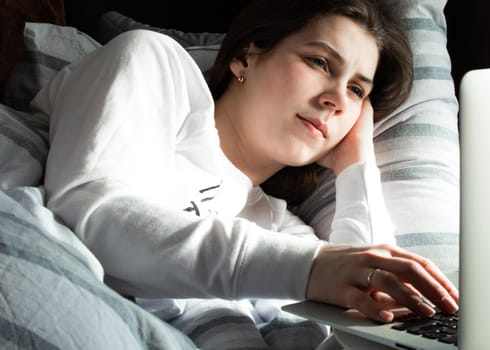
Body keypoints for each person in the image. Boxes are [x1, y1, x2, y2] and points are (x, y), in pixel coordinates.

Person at [32, 0, 459, 347]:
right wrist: (311, 269)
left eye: (356, 90)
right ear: (246, 55)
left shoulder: (283, 230)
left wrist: (356, 165)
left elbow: (375, 303)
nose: (336, 100)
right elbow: (91, 210)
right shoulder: (156, 65)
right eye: (320, 62)